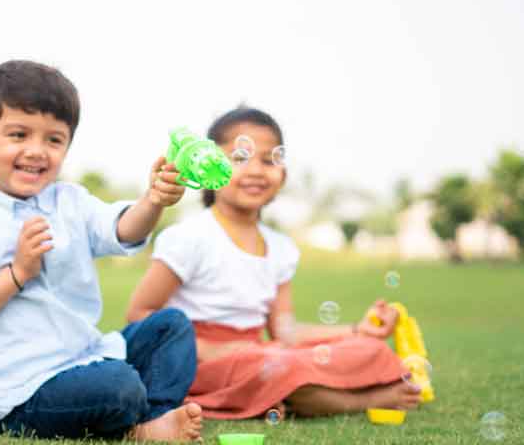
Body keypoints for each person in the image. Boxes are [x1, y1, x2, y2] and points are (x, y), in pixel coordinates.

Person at [0, 60, 202, 440]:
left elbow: (121, 229)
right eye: (18, 135)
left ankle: (151, 418)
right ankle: (138, 423)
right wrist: (17, 273)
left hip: (90, 356)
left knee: (172, 326)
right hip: (25, 391)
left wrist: (153, 200)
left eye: (53, 139)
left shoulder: (70, 202)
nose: (37, 151)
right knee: (117, 384)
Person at [126, 106, 422, 420]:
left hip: (261, 357)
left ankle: (297, 394)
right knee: (283, 369)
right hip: (196, 361)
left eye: (269, 160)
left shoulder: (280, 248)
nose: (256, 170)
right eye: (239, 158)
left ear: (283, 174)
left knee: (367, 350)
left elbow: (285, 331)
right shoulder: (189, 238)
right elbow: (138, 314)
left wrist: (355, 330)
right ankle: (371, 397)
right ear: (206, 168)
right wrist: (215, 350)